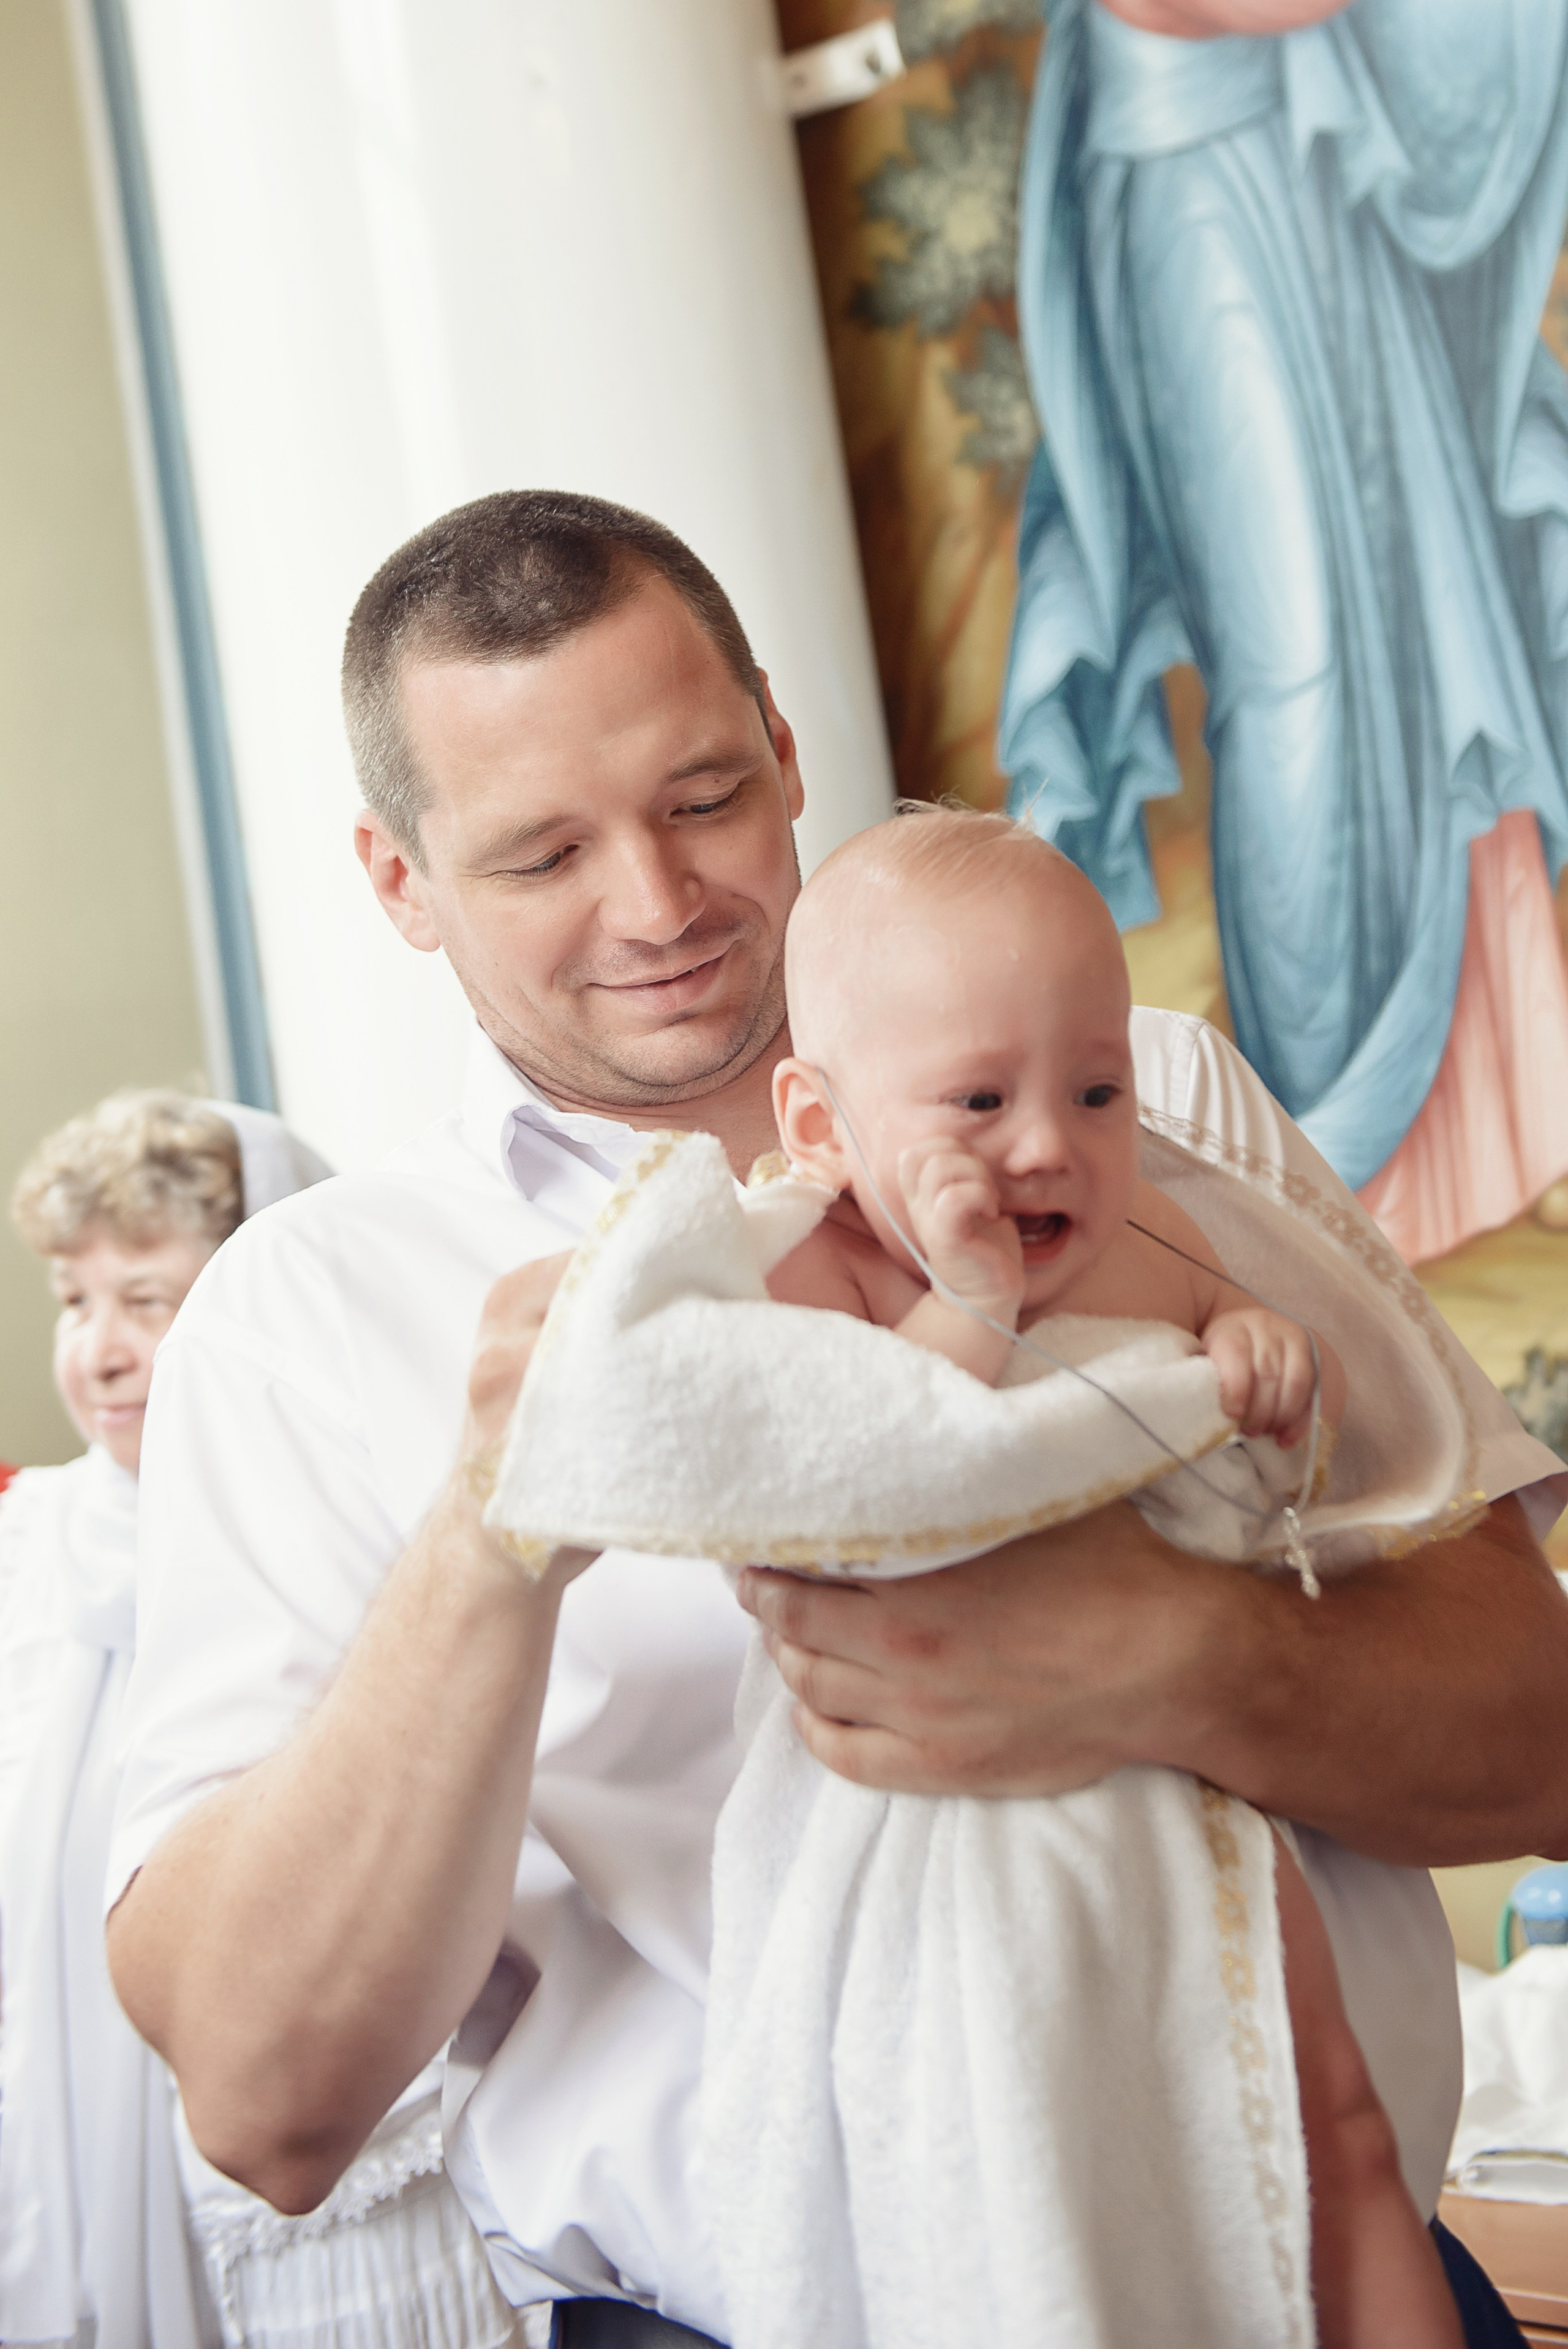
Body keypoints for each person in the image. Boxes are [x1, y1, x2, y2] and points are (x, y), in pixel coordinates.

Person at [102, 491, 1567, 2345]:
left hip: (1331, 2269)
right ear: (399, 881)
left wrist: (1161, 1654)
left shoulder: (1140, 1100)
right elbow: (261, 2101)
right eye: (542, 852)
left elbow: (1543, 1737)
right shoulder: (312, 1317)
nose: (658, 904)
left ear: (790, 751)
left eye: (704, 798)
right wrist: (493, 1529)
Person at [997, 0, 1568, 1264]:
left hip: (1298, 161)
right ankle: (1328, 1150)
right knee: (1295, 683)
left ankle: (1484, 1129)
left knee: (1422, 635)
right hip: (1186, 185)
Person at [0, 1091, 521, 2349]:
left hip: (320, 2187)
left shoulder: (355, 1534)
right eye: (77, 1300)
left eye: (149, 1300)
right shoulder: (32, 1548)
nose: (102, 1351)